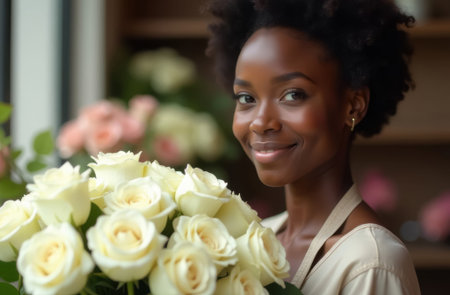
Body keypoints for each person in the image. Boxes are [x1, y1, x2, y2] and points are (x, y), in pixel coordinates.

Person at [206, 0, 421, 293]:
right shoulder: (254, 237)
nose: (260, 122)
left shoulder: (370, 263)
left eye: (292, 94)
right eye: (246, 98)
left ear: (353, 105)